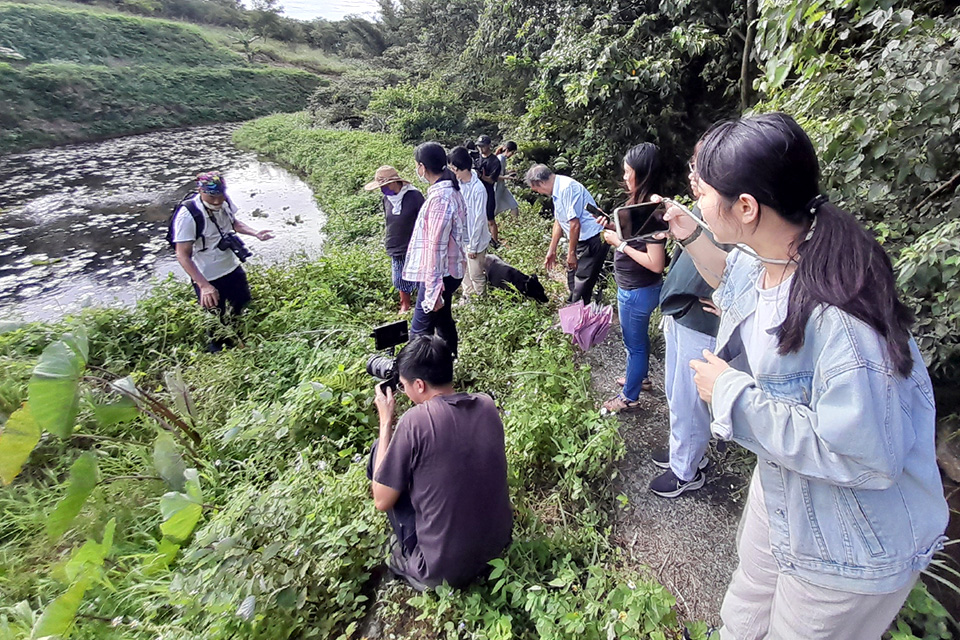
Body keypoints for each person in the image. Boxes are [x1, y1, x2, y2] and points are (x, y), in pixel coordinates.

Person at [660, 113, 948, 639]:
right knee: (741, 619)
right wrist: (690, 233)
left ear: (746, 206)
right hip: (788, 496)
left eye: (703, 189)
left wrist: (732, 397)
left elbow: (868, 457)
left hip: (849, 545)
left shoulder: (841, 320)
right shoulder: (782, 249)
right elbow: (736, 280)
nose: (695, 197)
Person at [369, 335, 513, 590]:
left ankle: (409, 561)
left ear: (420, 385)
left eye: (404, 386)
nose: (405, 392)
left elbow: (381, 500)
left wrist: (385, 422)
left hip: (441, 571)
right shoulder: (487, 404)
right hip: (499, 544)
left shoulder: (414, 421)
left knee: (378, 453)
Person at [648, 145, 727, 497]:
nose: (692, 173)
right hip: (680, 312)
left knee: (689, 399)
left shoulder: (730, 211)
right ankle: (686, 453)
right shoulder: (701, 206)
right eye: (693, 163)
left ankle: (686, 470)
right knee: (676, 393)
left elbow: (735, 270)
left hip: (701, 321)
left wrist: (729, 300)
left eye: (699, 165)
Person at [597, 143, 666, 414]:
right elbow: (638, 237)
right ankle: (642, 378)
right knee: (636, 342)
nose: (624, 177)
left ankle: (629, 397)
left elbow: (656, 263)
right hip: (634, 287)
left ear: (642, 173)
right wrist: (612, 226)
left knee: (633, 345)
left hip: (638, 290)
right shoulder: (639, 202)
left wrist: (619, 244)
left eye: (628, 172)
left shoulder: (653, 207)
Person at [171, 171, 273, 351]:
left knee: (242, 303)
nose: (217, 201)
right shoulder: (188, 215)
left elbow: (234, 223)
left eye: (220, 195)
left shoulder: (223, 202)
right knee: (216, 320)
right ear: (200, 191)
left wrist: (256, 233)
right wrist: (204, 286)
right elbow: (182, 254)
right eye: (212, 197)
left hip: (231, 267)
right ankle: (219, 352)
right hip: (207, 276)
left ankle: (242, 340)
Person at [402, 142, 467, 356]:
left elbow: (435, 249)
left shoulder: (440, 199)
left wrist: (432, 291)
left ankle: (420, 378)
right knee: (443, 319)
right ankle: (449, 359)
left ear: (422, 167)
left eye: (416, 166)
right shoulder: (450, 190)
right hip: (448, 272)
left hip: (440, 275)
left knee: (419, 333)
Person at [525, 164, 608, 304]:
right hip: (581, 240)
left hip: (591, 239)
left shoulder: (566, 188)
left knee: (581, 284)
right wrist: (552, 250)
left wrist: (571, 253)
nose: (540, 193)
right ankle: (580, 310)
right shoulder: (557, 190)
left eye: (537, 189)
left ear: (541, 182)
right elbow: (559, 221)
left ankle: (580, 316)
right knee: (573, 279)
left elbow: (575, 224)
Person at [364, 166, 424, 314]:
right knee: (399, 277)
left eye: (383, 186)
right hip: (395, 244)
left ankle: (422, 304)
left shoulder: (414, 196)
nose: (382, 189)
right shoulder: (387, 199)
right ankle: (405, 304)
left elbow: (424, 221)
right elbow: (388, 220)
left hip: (413, 243)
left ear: (393, 183)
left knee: (419, 275)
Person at [448, 146, 491, 301]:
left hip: (475, 240)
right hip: (461, 238)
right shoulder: (458, 185)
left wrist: (472, 245)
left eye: (454, 169)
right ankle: (468, 298)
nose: (453, 173)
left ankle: (481, 302)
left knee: (476, 274)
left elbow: (479, 219)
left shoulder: (478, 189)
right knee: (464, 272)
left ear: (462, 168)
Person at [475, 135, 502, 248]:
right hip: (476, 191)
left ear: (489, 146)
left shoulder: (494, 161)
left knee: (490, 218)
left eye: (483, 146)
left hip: (487, 191)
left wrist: (481, 176)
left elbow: (491, 180)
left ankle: (495, 241)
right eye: (479, 146)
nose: (481, 148)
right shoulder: (476, 158)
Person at [494, 141, 520, 218]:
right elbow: (495, 175)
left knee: (513, 205)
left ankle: (515, 225)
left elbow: (502, 172)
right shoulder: (500, 158)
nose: (512, 155)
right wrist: (507, 177)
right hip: (496, 187)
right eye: (512, 152)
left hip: (502, 187)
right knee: (494, 210)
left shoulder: (503, 159)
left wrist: (510, 172)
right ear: (507, 150)